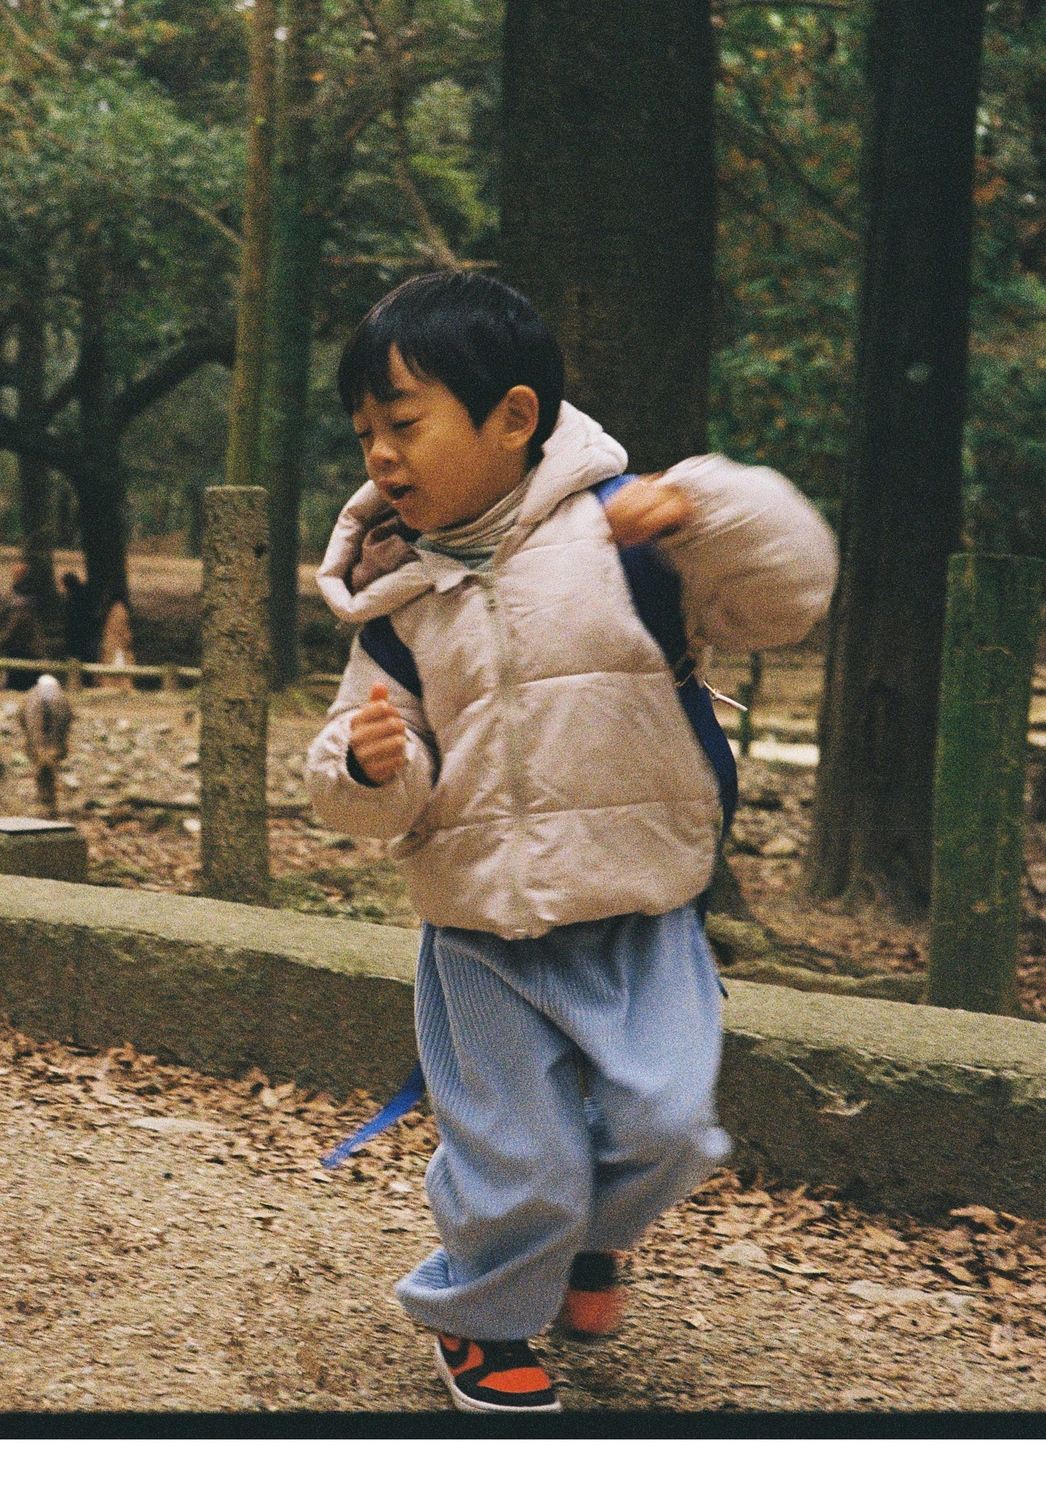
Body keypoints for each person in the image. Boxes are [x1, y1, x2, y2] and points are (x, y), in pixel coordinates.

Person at [304, 271, 835, 1413]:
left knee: (669, 1127)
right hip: (480, 932)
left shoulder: (627, 539)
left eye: (405, 422)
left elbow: (794, 591)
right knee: (520, 1162)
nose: (381, 454)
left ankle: (587, 1242)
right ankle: (482, 1319)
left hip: (641, 909)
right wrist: (365, 771)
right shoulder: (395, 601)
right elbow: (354, 782)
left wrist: (705, 509)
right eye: (365, 434)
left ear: (513, 418)